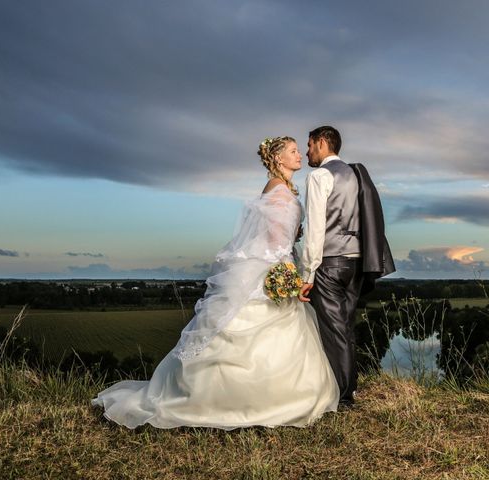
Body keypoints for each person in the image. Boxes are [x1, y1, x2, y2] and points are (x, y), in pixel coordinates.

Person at [92, 137, 339, 429]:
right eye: (294, 151)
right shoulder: (280, 192)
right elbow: (274, 242)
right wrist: (289, 277)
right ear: (278, 159)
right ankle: (245, 400)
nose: (300, 154)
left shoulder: (280, 189)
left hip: (275, 265)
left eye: (300, 150)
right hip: (275, 268)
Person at [299, 126, 395, 407]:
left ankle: (341, 396)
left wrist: (307, 273)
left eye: (309, 145)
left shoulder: (319, 176)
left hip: (328, 263)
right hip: (356, 262)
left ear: (321, 143)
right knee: (346, 326)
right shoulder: (355, 174)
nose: (307, 152)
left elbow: (315, 230)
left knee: (333, 330)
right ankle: (349, 389)